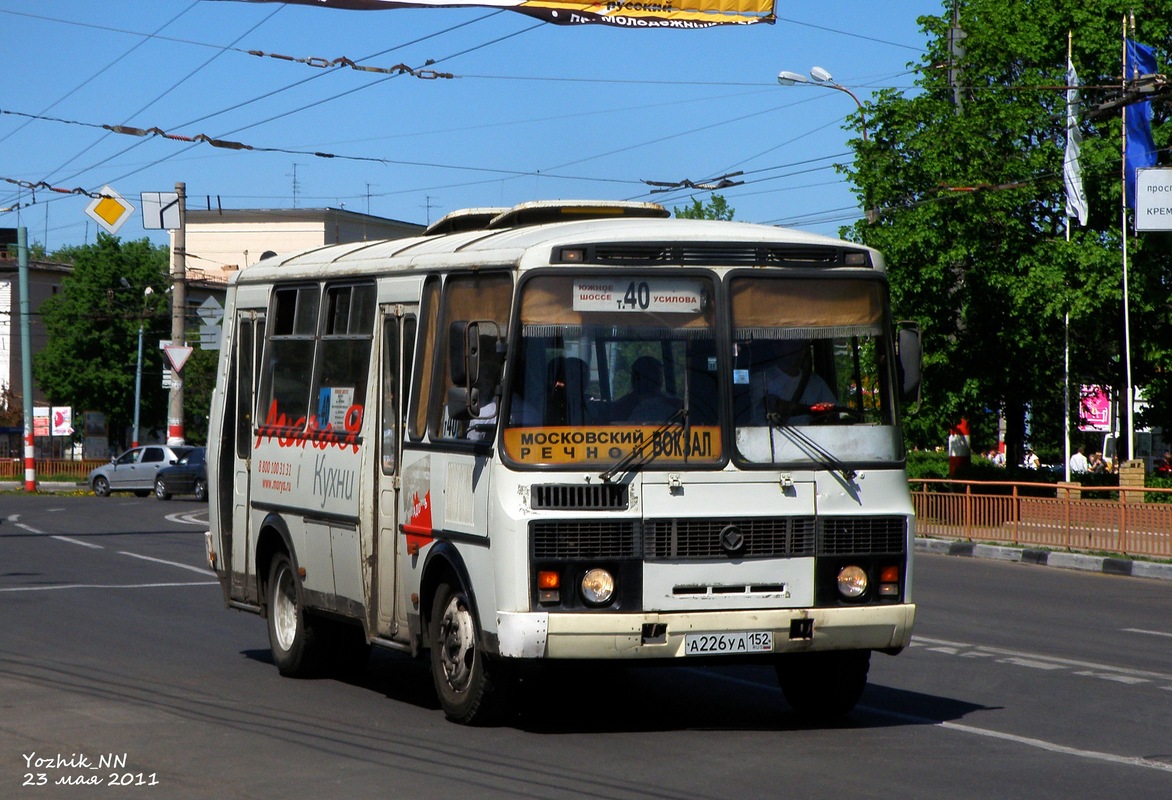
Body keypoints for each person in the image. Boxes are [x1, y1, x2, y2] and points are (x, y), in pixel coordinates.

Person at [754, 339, 836, 423]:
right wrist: (811, 409)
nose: (797, 349)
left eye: (801, 344)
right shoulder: (760, 380)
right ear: (777, 347)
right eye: (792, 344)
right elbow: (773, 407)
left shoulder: (816, 383)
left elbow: (835, 413)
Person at [612, 355, 680, 422]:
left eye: (660, 376)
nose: (659, 380)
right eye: (655, 376)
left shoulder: (672, 403)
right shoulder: (622, 408)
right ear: (637, 379)